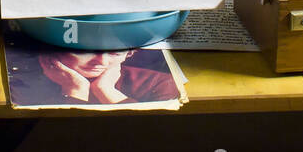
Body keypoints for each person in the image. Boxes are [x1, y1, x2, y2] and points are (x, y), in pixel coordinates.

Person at [10, 48, 179, 105]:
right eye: (86, 51)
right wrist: (75, 88)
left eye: (115, 53)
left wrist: (105, 90)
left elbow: (148, 134)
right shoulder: (21, 82)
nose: (101, 61)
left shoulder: (160, 83)